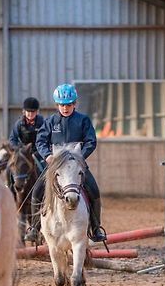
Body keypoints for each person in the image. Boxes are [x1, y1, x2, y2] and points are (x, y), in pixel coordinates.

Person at [24, 83, 107, 243]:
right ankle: (34, 228)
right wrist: (47, 155)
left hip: (77, 166)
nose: (65, 108)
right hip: (56, 167)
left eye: (68, 105)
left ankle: (96, 228)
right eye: (62, 105)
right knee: (36, 191)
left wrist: (81, 157)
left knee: (94, 191)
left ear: (74, 104)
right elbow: (41, 140)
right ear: (57, 105)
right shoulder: (50, 122)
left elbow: (91, 141)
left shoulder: (83, 120)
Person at [6, 97, 45, 194]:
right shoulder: (19, 123)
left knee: (45, 168)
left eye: (33, 112)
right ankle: (10, 190)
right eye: (28, 112)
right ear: (24, 111)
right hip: (23, 153)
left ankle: (45, 192)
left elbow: (46, 138)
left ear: (37, 112)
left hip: (38, 152)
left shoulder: (42, 123)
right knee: (9, 168)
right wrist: (18, 151)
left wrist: (38, 152)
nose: (30, 114)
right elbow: (12, 139)